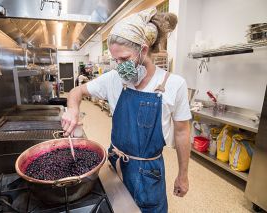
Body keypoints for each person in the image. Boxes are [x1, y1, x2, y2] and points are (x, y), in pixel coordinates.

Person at [62, 7, 191, 213]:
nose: (120, 66)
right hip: (115, 165)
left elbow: (183, 132)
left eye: (124, 59)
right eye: (116, 60)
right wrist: (72, 110)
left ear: (144, 49)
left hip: (150, 174)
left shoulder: (174, 84)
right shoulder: (114, 79)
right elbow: (76, 92)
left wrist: (183, 175)